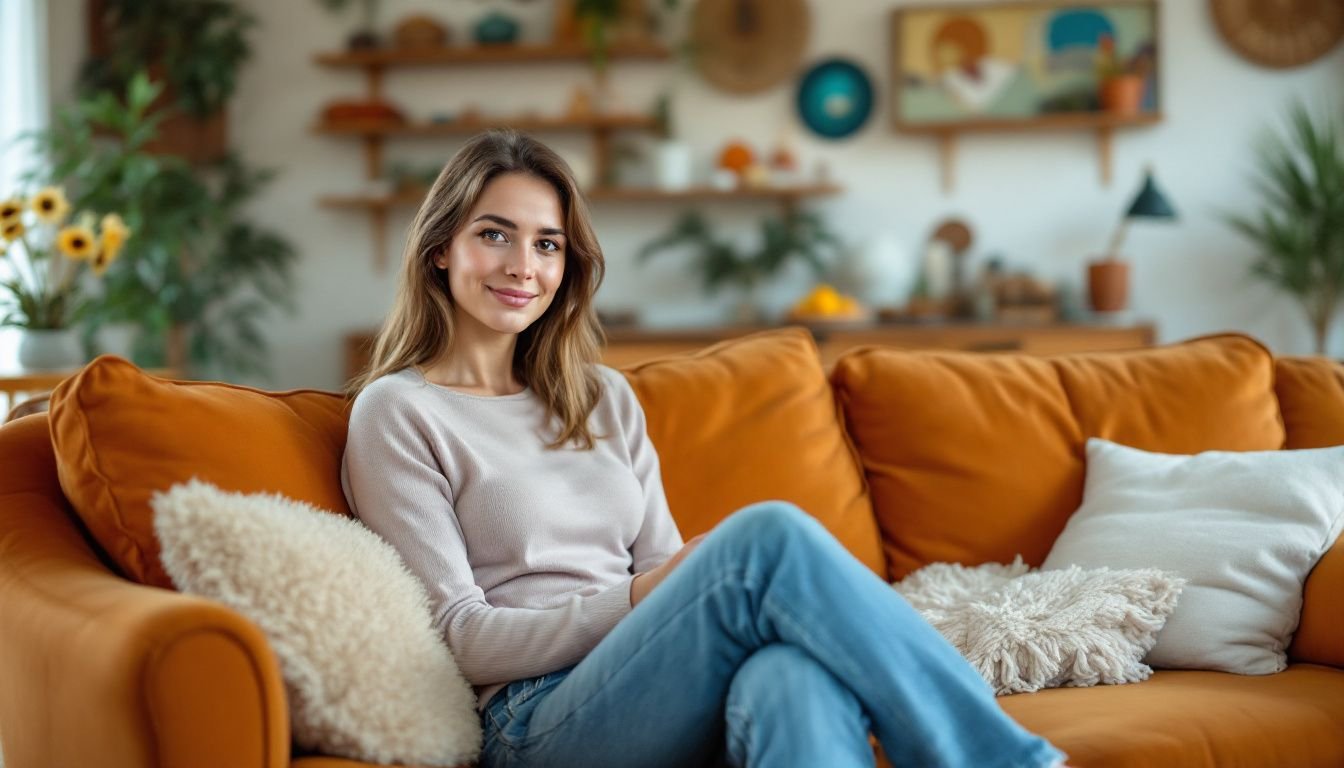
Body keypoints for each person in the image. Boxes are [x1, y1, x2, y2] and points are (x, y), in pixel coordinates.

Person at [341, 129, 1067, 768]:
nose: (523, 265)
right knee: (769, 534)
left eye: (547, 243)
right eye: (494, 234)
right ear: (440, 250)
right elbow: (462, 638)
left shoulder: (601, 397)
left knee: (789, 678)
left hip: (653, 679)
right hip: (534, 719)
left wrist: (654, 595)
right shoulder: (400, 412)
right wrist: (636, 599)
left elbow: (659, 566)